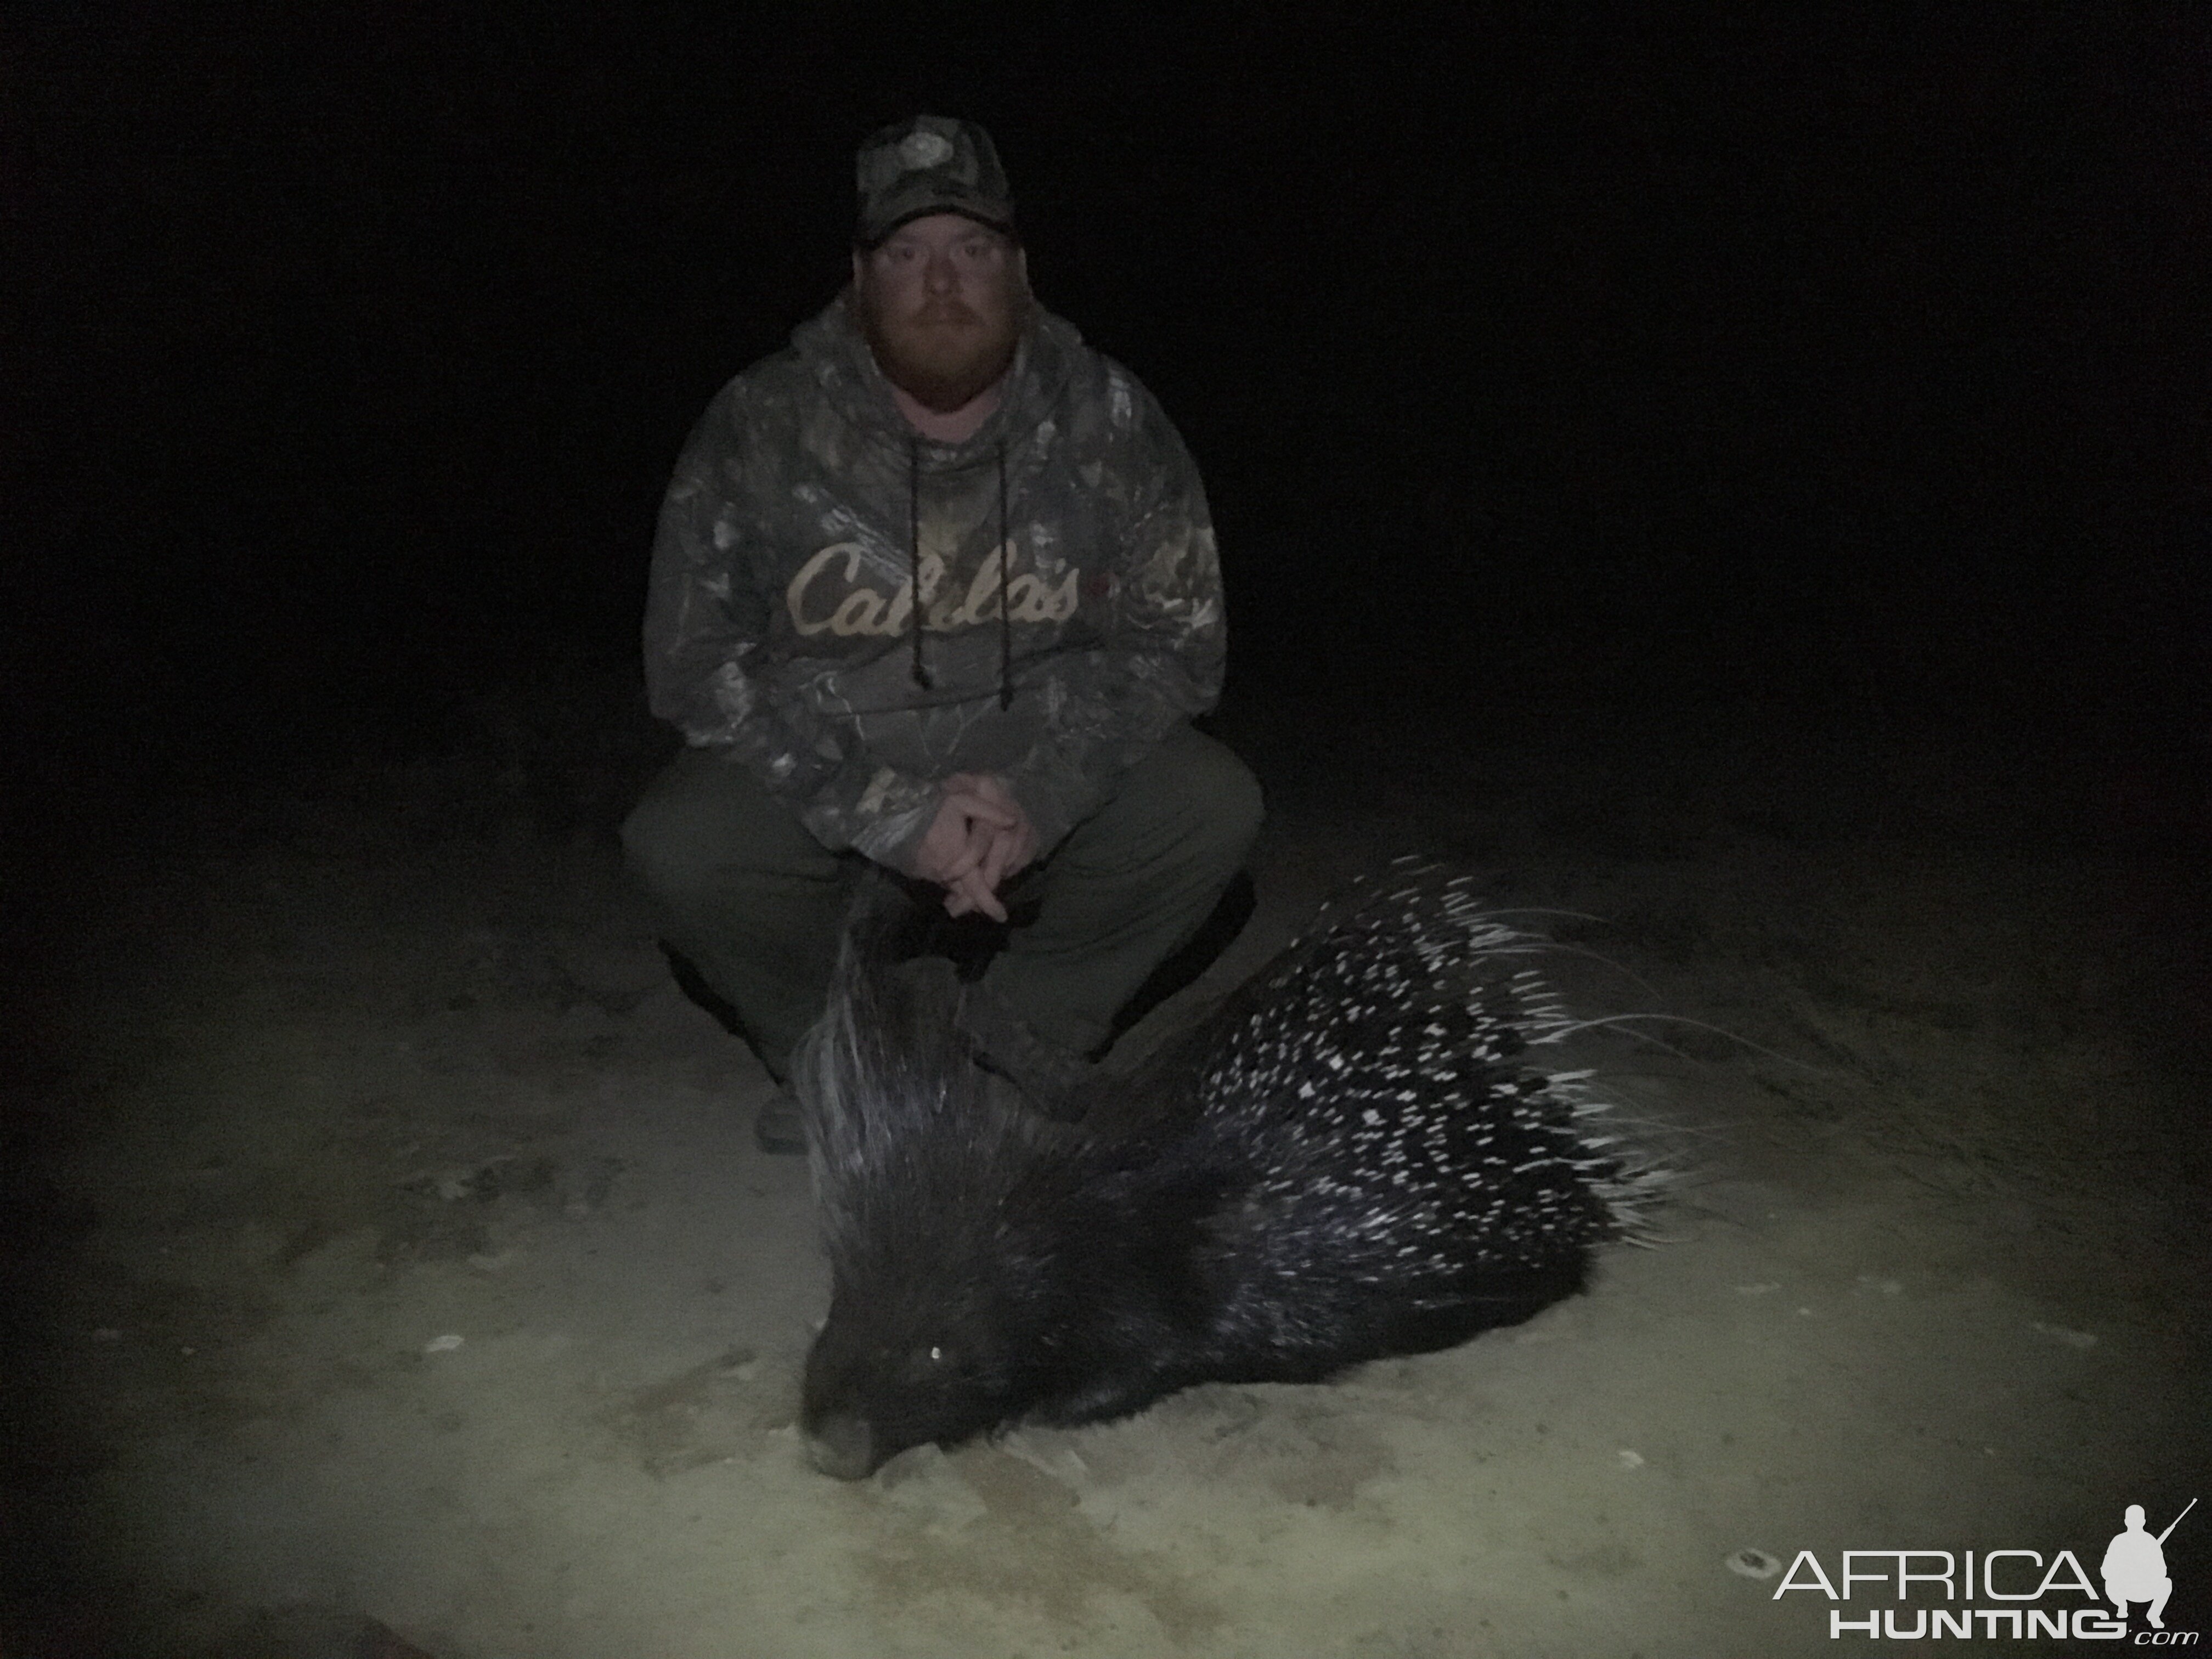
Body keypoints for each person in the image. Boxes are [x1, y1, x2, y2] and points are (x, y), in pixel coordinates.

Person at [621, 114, 1263, 1153]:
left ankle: (1016, 1036)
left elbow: (1177, 649)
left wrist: (1045, 797)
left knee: (1209, 803)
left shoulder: (1112, 415)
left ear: (1019, 268)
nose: (942, 281)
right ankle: (840, 1062)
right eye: (908, 254)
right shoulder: (760, 424)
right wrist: (887, 814)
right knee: (682, 839)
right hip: (843, 782)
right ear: (860, 277)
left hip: (1035, 773)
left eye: (972, 250)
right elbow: (695, 667)